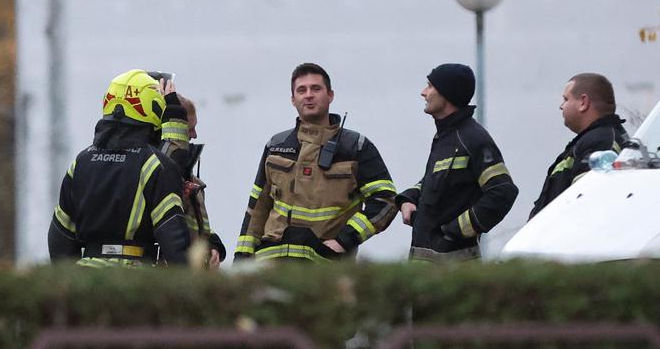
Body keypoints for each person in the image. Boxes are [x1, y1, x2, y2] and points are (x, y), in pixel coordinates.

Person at [233, 63, 399, 261]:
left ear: (330, 95)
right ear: (293, 100)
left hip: (326, 266)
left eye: (316, 88)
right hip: (271, 263)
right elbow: (257, 207)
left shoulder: (356, 147)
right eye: (301, 90)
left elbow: (386, 200)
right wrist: (242, 258)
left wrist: (344, 240)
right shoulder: (277, 145)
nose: (308, 95)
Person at [48, 69, 192, 267]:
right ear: (154, 107)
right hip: (135, 285)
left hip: (84, 283)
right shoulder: (155, 165)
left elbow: (60, 238)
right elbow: (174, 242)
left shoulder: (81, 162)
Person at [397, 63, 519, 260]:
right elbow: (439, 181)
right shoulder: (446, 137)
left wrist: (454, 232)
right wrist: (409, 197)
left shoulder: (473, 139)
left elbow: (502, 192)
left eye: (430, 85)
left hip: (454, 264)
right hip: (428, 263)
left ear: (447, 94)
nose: (423, 92)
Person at [528, 72, 628, 219]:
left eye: (565, 99)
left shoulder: (600, 143)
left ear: (583, 102)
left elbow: (586, 203)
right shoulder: (593, 140)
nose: (561, 106)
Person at [158, 92, 225, 267]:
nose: (195, 135)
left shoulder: (189, 177)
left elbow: (195, 224)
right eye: (189, 129)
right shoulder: (157, 176)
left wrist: (213, 246)